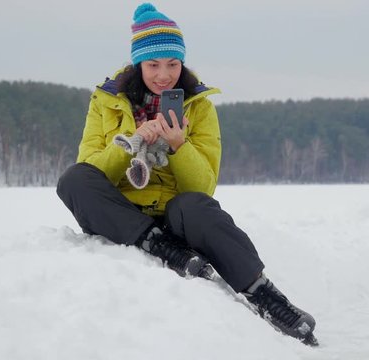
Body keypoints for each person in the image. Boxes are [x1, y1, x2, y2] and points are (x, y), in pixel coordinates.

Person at [56, 3, 317, 345]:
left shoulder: (200, 106)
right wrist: (131, 144)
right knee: (74, 180)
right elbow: (92, 169)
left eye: (173, 64)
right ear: (138, 63)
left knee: (197, 207)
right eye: (153, 65)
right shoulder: (106, 102)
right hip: (121, 212)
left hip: (175, 214)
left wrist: (179, 145)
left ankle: (263, 294)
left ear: (182, 62)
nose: (164, 75)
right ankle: (160, 246)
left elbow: (203, 186)